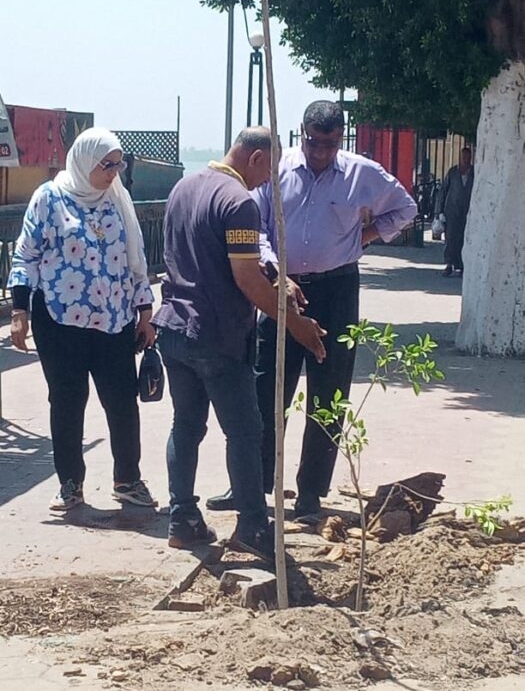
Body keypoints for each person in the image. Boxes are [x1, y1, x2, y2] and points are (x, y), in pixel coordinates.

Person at [207, 101, 417, 518]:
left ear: (341, 137)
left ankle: (309, 493)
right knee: (265, 389)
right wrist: (273, 269)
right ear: (301, 132)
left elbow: (405, 208)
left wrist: (366, 236)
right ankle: (253, 484)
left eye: (329, 143)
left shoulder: (362, 173)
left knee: (329, 391)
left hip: (337, 289)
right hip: (281, 290)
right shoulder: (278, 171)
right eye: (312, 141)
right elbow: (260, 228)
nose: (319, 151)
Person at [152, 126, 326, 556]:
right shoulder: (239, 203)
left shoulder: (183, 188)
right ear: (255, 159)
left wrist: (276, 278)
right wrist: (294, 324)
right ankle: (252, 527)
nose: (269, 181)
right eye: (269, 170)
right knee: (246, 433)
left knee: (186, 426)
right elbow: (244, 277)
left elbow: (220, 258)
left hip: (174, 329)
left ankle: (182, 518)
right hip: (217, 336)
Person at [8, 127, 158, 511]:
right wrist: (19, 312)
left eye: (118, 164)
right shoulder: (49, 199)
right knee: (67, 402)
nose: (113, 172)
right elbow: (26, 256)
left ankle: (128, 479)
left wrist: (145, 312)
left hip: (113, 323)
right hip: (59, 323)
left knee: (122, 401)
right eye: (105, 165)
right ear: (84, 162)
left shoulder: (117, 201)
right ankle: (70, 484)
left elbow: (134, 262)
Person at [436, 147, 474, 276]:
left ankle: (462, 265)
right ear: (460, 157)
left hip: (468, 212)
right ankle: (449, 264)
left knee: (465, 239)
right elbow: (443, 192)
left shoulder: (474, 173)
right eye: (464, 157)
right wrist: (439, 212)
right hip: (451, 211)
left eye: (468, 157)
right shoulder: (452, 172)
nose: (466, 160)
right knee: (450, 238)